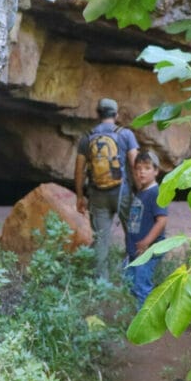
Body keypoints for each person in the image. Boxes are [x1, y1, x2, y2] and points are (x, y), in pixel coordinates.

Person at [74, 98, 139, 279]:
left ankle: (101, 285)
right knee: (133, 233)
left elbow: (79, 170)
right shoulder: (126, 135)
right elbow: (135, 164)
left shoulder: (87, 137)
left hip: (98, 195)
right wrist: (141, 191)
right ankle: (132, 277)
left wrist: (80, 196)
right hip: (123, 193)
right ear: (116, 115)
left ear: (98, 114)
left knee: (101, 240)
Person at [124, 150, 168, 306]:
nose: (141, 172)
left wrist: (146, 242)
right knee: (130, 282)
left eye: (147, 168)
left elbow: (161, 221)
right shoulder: (142, 191)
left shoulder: (155, 193)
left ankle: (145, 324)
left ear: (156, 171)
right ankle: (137, 318)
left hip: (148, 250)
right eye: (138, 168)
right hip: (135, 250)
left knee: (142, 286)